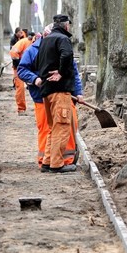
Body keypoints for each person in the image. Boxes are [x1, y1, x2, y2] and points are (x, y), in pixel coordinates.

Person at [17, 24, 82, 170]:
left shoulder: (62, 47)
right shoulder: (32, 51)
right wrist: (35, 79)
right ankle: (46, 160)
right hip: (42, 97)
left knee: (67, 126)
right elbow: (22, 70)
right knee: (49, 128)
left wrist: (78, 93)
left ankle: (66, 159)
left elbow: (73, 71)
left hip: (64, 94)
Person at [32, 14, 79, 173]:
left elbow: (38, 63)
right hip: (60, 91)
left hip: (46, 91)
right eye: (69, 26)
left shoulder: (44, 41)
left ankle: (47, 161)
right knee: (62, 126)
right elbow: (66, 55)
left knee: (53, 128)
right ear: (66, 26)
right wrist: (60, 72)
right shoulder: (63, 39)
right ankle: (58, 164)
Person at [10, 29, 34, 115]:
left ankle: (39, 105)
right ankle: (21, 109)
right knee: (20, 87)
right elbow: (13, 52)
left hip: (28, 66)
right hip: (19, 66)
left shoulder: (33, 43)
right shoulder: (25, 42)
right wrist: (18, 63)